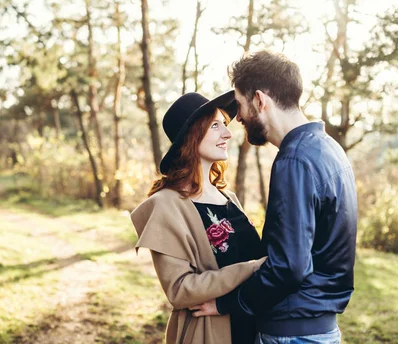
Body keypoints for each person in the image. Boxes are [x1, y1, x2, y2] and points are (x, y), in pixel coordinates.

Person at [191, 51, 358, 344]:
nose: (239, 117)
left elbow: (289, 266)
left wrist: (226, 304)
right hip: (320, 330)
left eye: (240, 105)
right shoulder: (329, 149)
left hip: (291, 333)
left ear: (259, 100)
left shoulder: (294, 160)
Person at [130, 91, 266, 344]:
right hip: (208, 333)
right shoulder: (166, 205)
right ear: (192, 135)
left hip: (252, 327)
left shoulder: (229, 198)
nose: (227, 134)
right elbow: (180, 290)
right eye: (216, 125)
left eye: (225, 125)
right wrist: (252, 268)